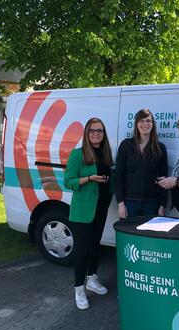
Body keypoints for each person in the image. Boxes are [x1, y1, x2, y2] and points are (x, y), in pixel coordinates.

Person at [64, 117, 113, 310]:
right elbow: (68, 182)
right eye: (92, 130)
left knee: (94, 246)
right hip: (82, 211)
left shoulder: (106, 154)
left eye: (99, 130)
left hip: (100, 207)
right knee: (82, 251)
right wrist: (89, 178)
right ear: (86, 133)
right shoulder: (78, 154)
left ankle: (92, 279)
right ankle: (79, 288)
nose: (96, 133)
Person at [116, 108, 168, 218]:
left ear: (153, 124)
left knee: (148, 235)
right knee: (128, 235)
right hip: (129, 202)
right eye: (141, 120)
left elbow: (164, 178)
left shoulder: (160, 148)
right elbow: (118, 176)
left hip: (152, 203)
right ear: (136, 124)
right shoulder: (126, 145)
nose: (145, 124)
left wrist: (162, 205)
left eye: (148, 121)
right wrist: (120, 203)